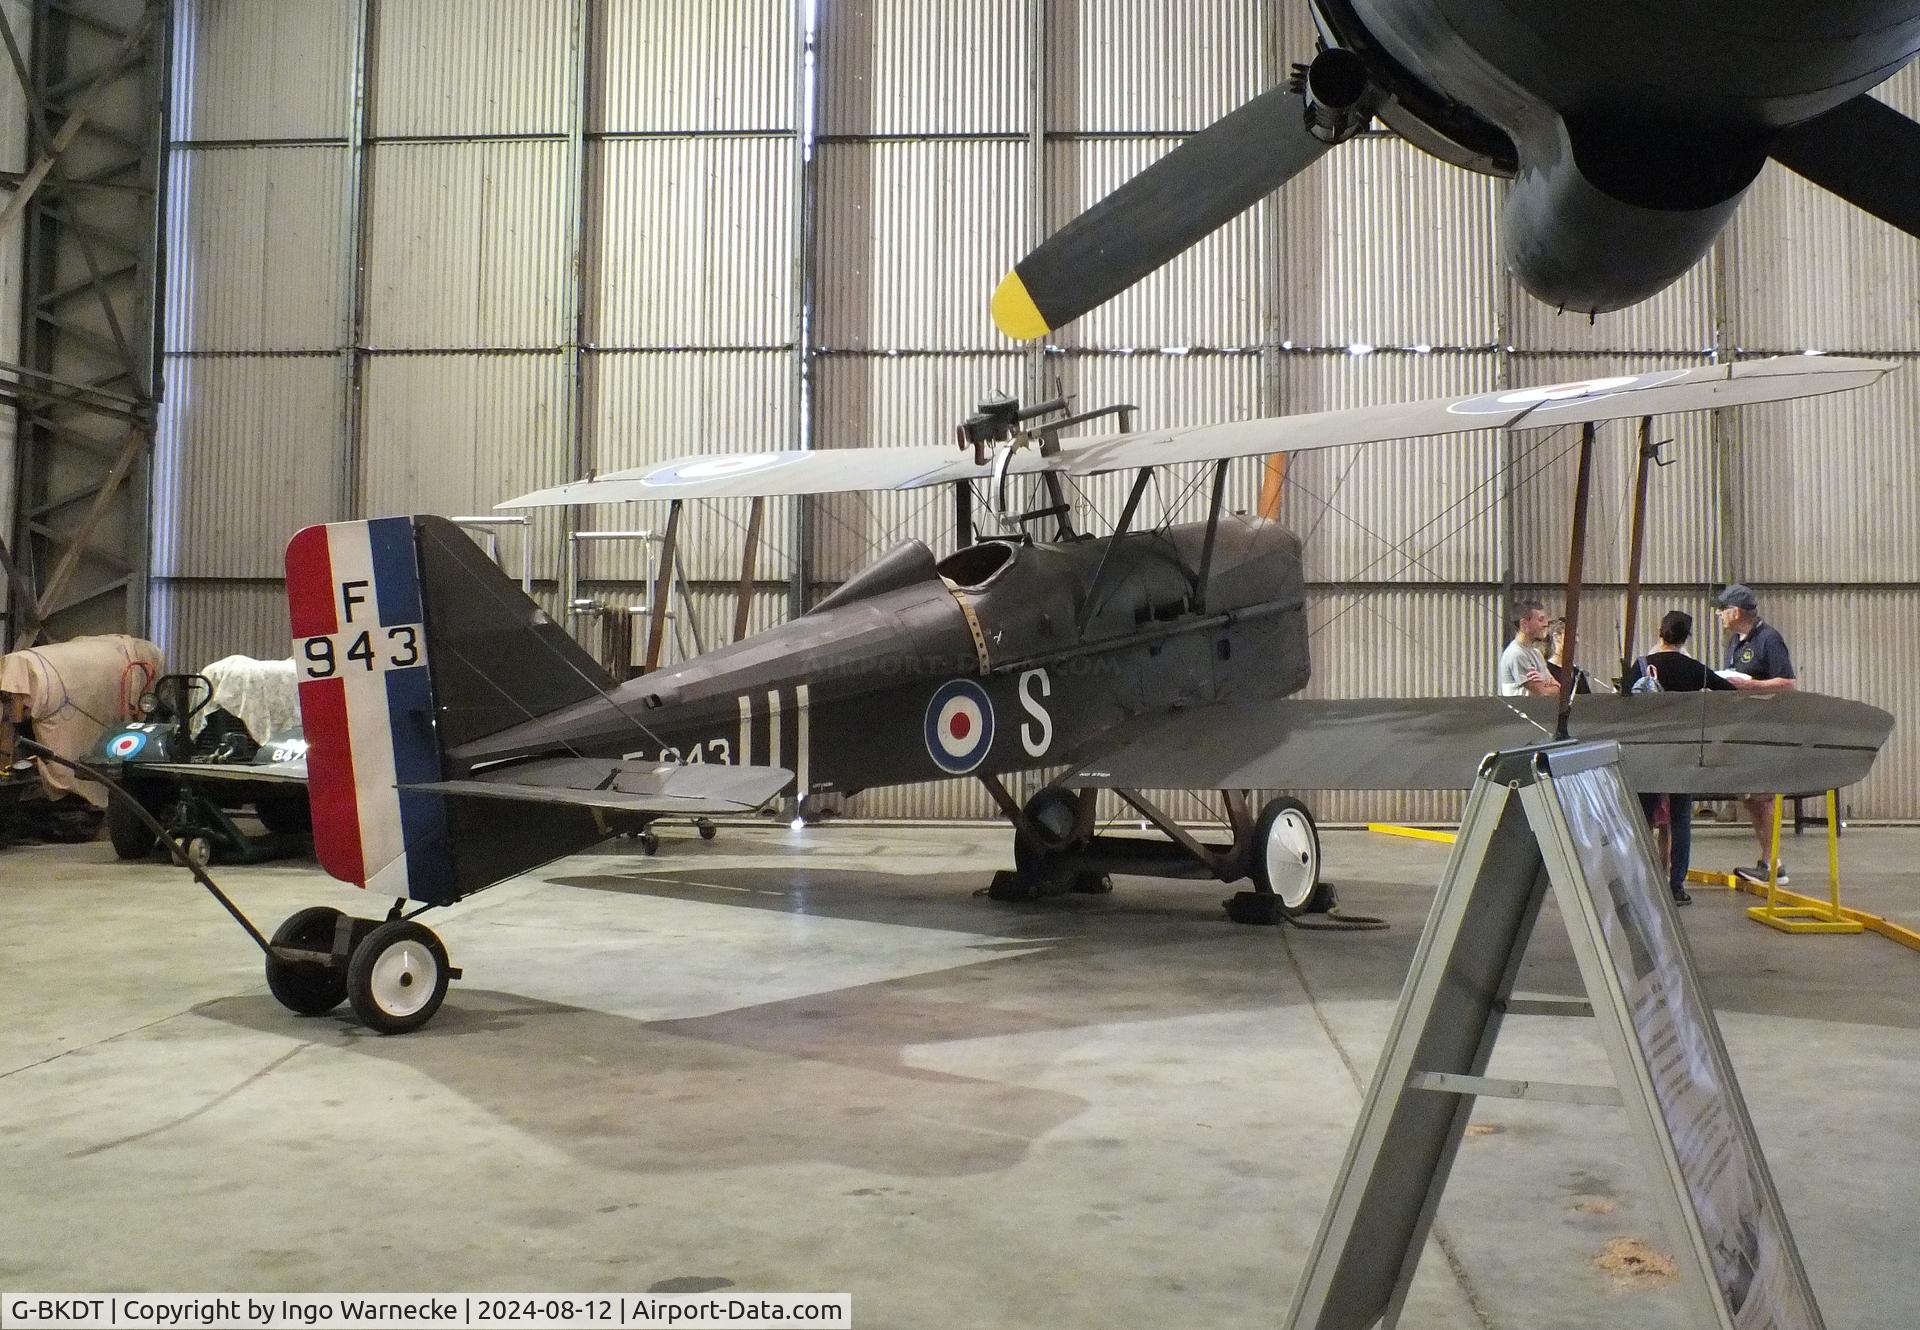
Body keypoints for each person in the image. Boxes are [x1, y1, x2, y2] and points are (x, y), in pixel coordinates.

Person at [1633, 610, 1738, 905]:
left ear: (1659, 631)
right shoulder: (1694, 669)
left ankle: (1640, 881)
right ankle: (1676, 885)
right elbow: (1728, 691)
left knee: (1643, 819)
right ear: (1686, 638)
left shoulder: (1642, 666)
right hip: (1683, 751)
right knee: (1680, 820)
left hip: (1649, 752)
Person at [1715, 584, 1798, 884]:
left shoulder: (1769, 640)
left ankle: (1774, 862)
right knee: (1751, 797)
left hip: (1767, 728)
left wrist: (1753, 687)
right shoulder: (1735, 643)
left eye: (1723, 610)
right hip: (1743, 726)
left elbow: (1788, 683)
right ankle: (1767, 858)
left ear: (1736, 612)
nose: (1720, 615)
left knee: (1764, 797)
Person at [1499, 600, 1557, 697]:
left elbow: (1559, 689)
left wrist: (1545, 682)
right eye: (1540, 620)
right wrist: (1547, 683)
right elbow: (1544, 693)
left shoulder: (1536, 653)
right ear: (1524, 624)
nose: (1546, 624)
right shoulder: (1516, 654)